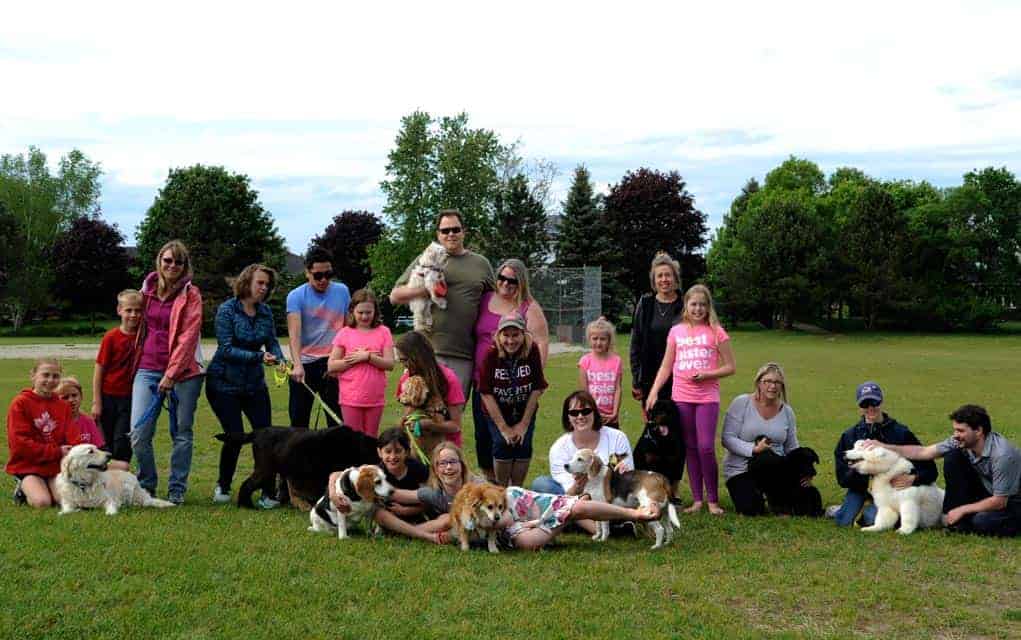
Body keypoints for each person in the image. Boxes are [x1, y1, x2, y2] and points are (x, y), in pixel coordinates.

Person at [862, 404, 1020, 537]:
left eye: (961, 431)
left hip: (1011, 500)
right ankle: (958, 524)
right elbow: (924, 452)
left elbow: (1000, 501)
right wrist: (885, 446)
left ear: (978, 431)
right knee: (953, 457)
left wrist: (962, 509)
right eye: (955, 430)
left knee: (983, 522)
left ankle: (970, 519)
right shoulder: (961, 442)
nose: (956, 435)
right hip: (989, 490)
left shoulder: (1003, 455)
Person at [646, 283, 735, 515]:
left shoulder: (716, 331)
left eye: (702, 305)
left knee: (706, 447)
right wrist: (654, 391)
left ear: (708, 307)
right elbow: (666, 365)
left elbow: (730, 367)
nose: (698, 309)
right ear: (686, 305)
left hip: (707, 397)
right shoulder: (676, 331)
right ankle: (697, 500)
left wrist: (707, 374)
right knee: (690, 447)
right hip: (681, 396)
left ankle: (713, 500)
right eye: (693, 304)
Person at [391, 209, 494, 400]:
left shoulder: (481, 264)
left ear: (464, 232)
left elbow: (495, 303)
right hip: (426, 352)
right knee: (421, 409)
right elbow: (395, 296)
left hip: (463, 354)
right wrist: (427, 290)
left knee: (453, 415)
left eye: (455, 229)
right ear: (438, 234)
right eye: (445, 231)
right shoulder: (428, 258)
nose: (451, 234)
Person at [130, 240, 204, 505]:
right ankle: (147, 485)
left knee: (182, 433)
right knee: (138, 433)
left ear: (185, 266)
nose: (172, 266)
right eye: (168, 260)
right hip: (148, 368)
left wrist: (171, 374)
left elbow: (188, 336)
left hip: (185, 373)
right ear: (159, 261)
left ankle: (177, 489)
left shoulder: (191, 294)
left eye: (178, 262)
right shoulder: (146, 290)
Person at [205, 263, 285, 506]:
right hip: (223, 383)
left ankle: (267, 492)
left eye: (267, 285)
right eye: (260, 282)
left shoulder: (265, 312)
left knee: (266, 437)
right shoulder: (227, 310)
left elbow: (272, 341)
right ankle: (223, 485)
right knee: (235, 435)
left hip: (254, 385)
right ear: (247, 281)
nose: (264, 287)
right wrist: (259, 357)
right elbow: (226, 348)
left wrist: (279, 358)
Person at [471, 258, 549, 481]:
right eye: (502, 278)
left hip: (517, 385)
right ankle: (491, 482)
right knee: (484, 437)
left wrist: (533, 379)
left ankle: (512, 488)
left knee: (515, 441)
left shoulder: (528, 306)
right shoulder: (485, 299)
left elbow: (541, 342)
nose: (506, 284)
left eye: (512, 280)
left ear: (521, 282)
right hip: (484, 381)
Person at [828, 381, 938, 527]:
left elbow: (931, 470)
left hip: (892, 491)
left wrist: (914, 478)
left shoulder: (901, 433)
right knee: (843, 521)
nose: (870, 408)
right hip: (861, 488)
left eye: (874, 402)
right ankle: (842, 510)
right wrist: (861, 468)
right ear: (859, 407)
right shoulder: (850, 436)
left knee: (871, 520)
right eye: (865, 404)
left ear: (882, 401)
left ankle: (888, 512)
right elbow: (842, 479)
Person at [329, 441, 473, 544]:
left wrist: (453, 534)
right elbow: (339, 474)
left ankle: (406, 533)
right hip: (430, 522)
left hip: (472, 526)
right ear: (435, 468)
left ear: (462, 464)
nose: (448, 467)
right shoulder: (433, 492)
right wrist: (333, 493)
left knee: (449, 519)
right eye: (442, 463)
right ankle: (416, 534)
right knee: (378, 512)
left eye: (453, 462)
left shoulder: (477, 488)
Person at [721, 363, 816, 515]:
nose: (773, 386)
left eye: (777, 382)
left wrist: (804, 471)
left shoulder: (787, 411)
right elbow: (727, 438)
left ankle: (778, 499)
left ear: (782, 386)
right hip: (740, 468)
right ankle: (765, 496)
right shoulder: (741, 403)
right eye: (768, 381)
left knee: (808, 506)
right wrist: (753, 449)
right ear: (759, 382)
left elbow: (792, 447)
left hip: (776, 468)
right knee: (751, 509)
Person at [477, 312, 548, 487]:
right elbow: (485, 392)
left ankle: (517, 490)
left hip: (524, 409)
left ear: (523, 334)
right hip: (497, 410)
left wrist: (523, 425)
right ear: (498, 335)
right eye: (506, 335)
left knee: (523, 446)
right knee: (502, 444)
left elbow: (537, 387)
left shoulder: (531, 351)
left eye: (515, 335)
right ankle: (502, 490)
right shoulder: (490, 354)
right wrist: (503, 428)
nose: (510, 340)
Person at [285, 245, 349, 428]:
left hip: (332, 362)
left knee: (337, 422)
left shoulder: (342, 291)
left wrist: (341, 361)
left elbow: (347, 327)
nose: (323, 280)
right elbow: (294, 334)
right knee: (299, 422)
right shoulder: (295, 296)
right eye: (318, 275)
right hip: (305, 364)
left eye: (328, 275)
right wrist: (297, 365)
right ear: (307, 273)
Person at [6, 358, 79, 508]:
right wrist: (56, 451)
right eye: (45, 375)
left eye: (55, 376)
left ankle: (47, 485)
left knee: (64, 500)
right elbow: (19, 444)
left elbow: (70, 436)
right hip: (27, 464)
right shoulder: (20, 403)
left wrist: (72, 450)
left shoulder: (62, 406)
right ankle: (21, 487)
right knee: (42, 502)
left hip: (53, 464)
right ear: (33, 376)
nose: (50, 380)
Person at [532, 391, 634, 497]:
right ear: (568, 417)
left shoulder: (617, 438)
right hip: (575, 495)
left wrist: (620, 473)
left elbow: (626, 474)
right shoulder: (558, 448)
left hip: (609, 491)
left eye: (586, 411)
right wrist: (578, 485)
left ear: (594, 412)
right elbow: (568, 492)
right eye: (574, 413)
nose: (580, 416)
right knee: (541, 484)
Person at [327, 289, 394, 437]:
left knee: (371, 439)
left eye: (368, 312)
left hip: (375, 397)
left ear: (375, 311)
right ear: (352, 311)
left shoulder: (384, 332)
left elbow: (390, 364)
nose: (364, 316)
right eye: (360, 312)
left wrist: (368, 357)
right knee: (353, 440)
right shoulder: (344, 333)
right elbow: (331, 366)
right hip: (350, 397)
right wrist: (356, 359)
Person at [91, 288, 142, 464]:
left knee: (123, 440)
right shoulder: (111, 337)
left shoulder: (144, 337)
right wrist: (97, 402)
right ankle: (105, 479)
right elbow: (99, 369)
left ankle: (121, 475)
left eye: (138, 310)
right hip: (108, 396)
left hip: (131, 398)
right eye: (129, 310)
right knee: (106, 441)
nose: (133, 315)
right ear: (119, 310)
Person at [630, 252, 686, 408]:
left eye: (668, 275)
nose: (664, 280)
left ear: (675, 278)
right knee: (654, 425)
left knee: (679, 425)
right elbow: (636, 343)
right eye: (659, 276)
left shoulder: (686, 306)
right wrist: (636, 379)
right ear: (654, 280)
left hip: (680, 378)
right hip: (650, 377)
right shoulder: (646, 304)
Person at [394, 331, 466, 448]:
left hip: (445, 448)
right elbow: (408, 414)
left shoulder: (448, 379)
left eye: (405, 360)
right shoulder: (407, 379)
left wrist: (432, 426)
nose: (404, 366)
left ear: (419, 357)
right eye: (401, 361)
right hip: (417, 446)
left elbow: (455, 426)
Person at [56, 377, 129, 471]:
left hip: (91, 462)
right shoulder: (55, 422)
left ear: (81, 396)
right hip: (67, 464)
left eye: (74, 395)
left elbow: (101, 447)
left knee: (124, 466)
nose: (71, 400)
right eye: (65, 398)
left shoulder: (88, 421)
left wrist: (103, 461)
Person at [374, 427, 429, 522]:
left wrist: (406, 511)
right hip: (388, 515)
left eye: (398, 451)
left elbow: (429, 501)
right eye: (388, 451)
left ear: (407, 452)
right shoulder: (377, 472)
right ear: (379, 452)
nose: (392, 456)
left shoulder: (418, 469)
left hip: (416, 512)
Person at [578, 317, 622, 427]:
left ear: (609, 340)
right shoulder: (585, 361)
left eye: (603, 339)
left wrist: (615, 412)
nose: (598, 342)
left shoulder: (617, 361)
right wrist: (591, 412)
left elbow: (618, 388)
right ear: (589, 339)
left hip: (611, 416)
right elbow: (584, 391)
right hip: (592, 414)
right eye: (595, 338)